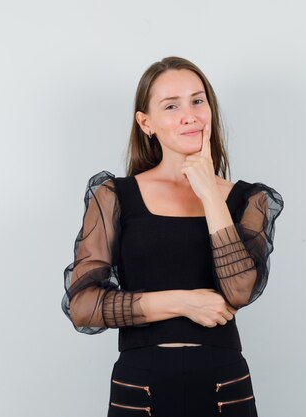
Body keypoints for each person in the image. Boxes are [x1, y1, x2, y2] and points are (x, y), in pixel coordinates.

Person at [61, 56, 284, 417]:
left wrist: (211, 194)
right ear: (146, 123)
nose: (190, 115)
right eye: (171, 106)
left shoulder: (249, 199)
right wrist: (182, 303)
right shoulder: (115, 196)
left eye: (198, 101)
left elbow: (240, 290)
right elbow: (83, 306)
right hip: (139, 385)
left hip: (223, 385)